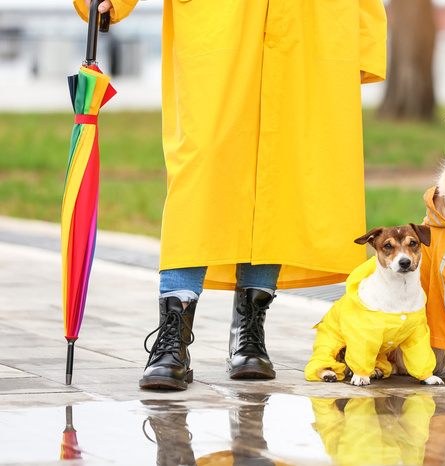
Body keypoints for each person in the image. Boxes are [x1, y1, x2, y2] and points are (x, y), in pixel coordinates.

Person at [75, 0, 387, 390]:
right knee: (201, 170)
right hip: (219, 23)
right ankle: (173, 334)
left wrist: (363, 40)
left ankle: (249, 332)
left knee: (281, 170)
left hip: (309, 26)